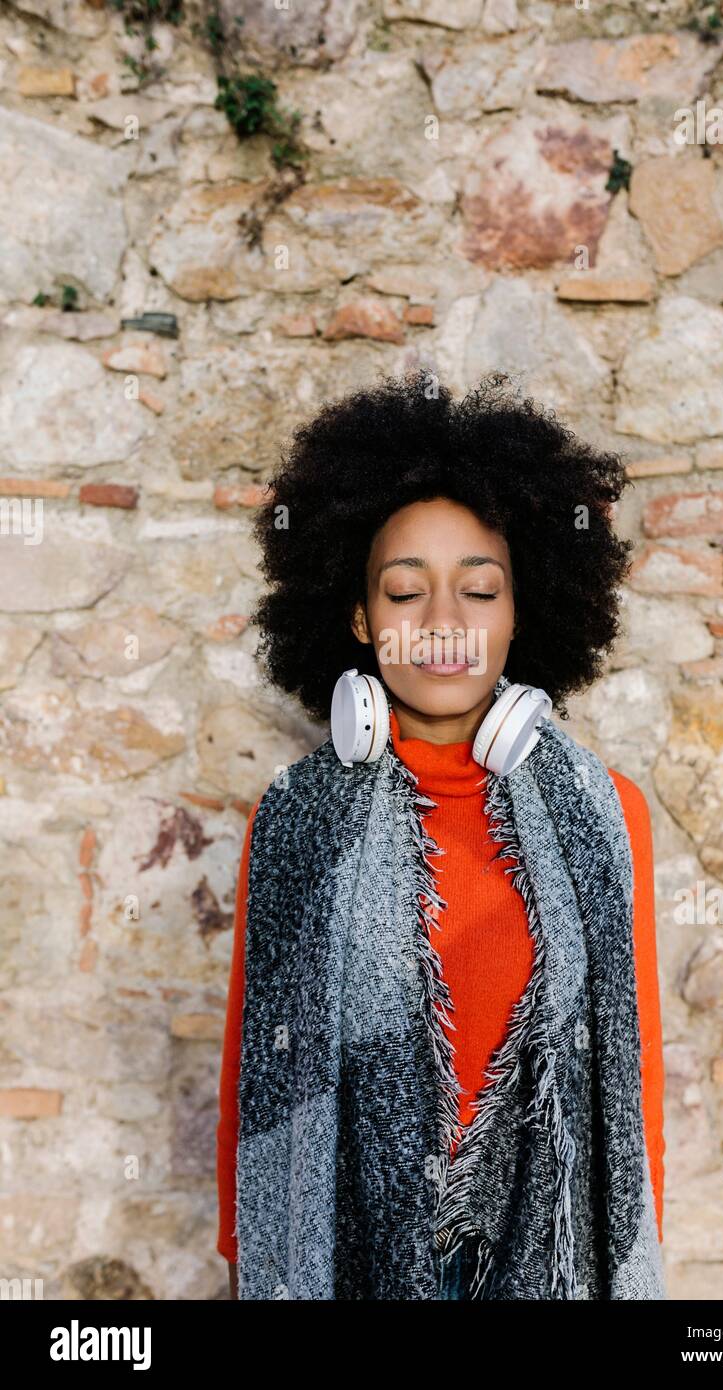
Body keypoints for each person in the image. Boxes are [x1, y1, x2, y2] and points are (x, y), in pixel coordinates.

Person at [216, 370, 666, 1300]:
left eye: (480, 590)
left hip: (551, 1260)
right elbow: (255, 1070)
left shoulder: (604, 811)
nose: (445, 626)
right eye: (405, 592)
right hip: (354, 1262)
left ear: (519, 614)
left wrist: (633, 1250)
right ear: (358, 618)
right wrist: (255, 1255)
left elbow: (630, 1071)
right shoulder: (297, 815)